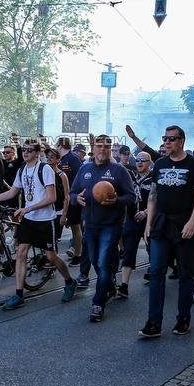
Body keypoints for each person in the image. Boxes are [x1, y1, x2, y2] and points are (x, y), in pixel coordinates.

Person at [0, 139, 77, 309]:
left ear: (37, 152)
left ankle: (69, 282)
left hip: (45, 221)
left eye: (29, 150)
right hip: (29, 220)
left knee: (51, 256)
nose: (25, 152)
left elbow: (52, 198)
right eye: (24, 150)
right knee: (21, 253)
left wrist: (28, 208)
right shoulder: (22, 169)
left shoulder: (45, 169)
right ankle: (18, 294)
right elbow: (12, 192)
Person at [140, 125, 194, 338]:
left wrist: (192, 222)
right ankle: (154, 322)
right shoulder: (159, 164)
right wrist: (148, 223)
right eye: (165, 138)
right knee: (157, 272)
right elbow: (153, 195)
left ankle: (183, 318)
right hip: (161, 224)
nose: (167, 142)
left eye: (171, 139)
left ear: (182, 141)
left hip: (184, 225)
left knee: (185, 272)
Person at [70, 135, 135, 322]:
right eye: (99, 146)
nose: (103, 149)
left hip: (112, 224)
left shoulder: (119, 171)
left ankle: (98, 304)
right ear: (94, 148)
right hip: (90, 224)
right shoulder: (85, 169)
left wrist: (117, 200)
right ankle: (109, 285)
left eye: (107, 146)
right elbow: (73, 193)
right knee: (94, 260)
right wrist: (77, 199)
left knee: (103, 262)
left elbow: (131, 197)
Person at [117, 151, 154, 297]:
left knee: (153, 250)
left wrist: (146, 212)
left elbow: (158, 200)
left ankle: (155, 271)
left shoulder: (154, 178)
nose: (139, 163)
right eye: (137, 160)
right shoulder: (130, 176)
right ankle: (124, 285)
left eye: (143, 160)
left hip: (149, 221)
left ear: (149, 162)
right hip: (132, 220)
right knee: (128, 252)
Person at [56, 136, 84, 268]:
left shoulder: (73, 158)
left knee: (74, 225)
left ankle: (78, 254)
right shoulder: (59, 158)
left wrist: (75, 194)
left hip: (72, 197)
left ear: (60, 146)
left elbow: (81, 176)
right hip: (59, 198)